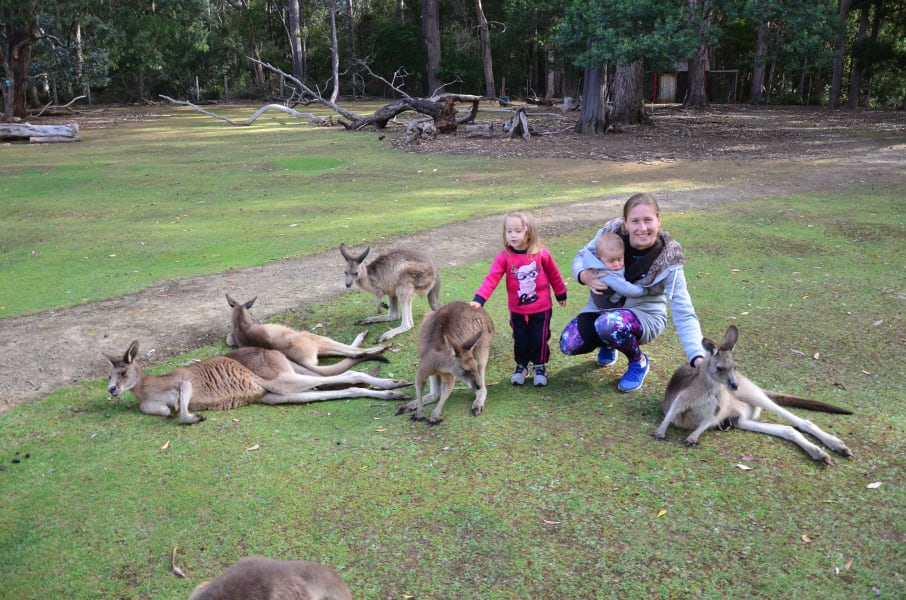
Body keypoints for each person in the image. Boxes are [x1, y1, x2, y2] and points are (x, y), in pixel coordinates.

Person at [559, 193, 704, 392]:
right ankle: (609, 343)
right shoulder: (609, 236)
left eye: (648, 220)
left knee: (610, 324)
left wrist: (697, 355)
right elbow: (582, 256)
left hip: (644, 315)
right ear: (625, 222)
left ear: (659, 220)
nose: (642, 228)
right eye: (635, 221)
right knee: (570, 343)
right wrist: (583, 275)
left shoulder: (670, 260)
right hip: (601, 309)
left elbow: (684, 311)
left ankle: (638, 361)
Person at [470, 210, 568, 387]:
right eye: (509, 231)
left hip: (541, 308)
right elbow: (491, 279)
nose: (512, 235)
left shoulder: (541, 253)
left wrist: (560, 293)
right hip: (517, 309)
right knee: (520, 338)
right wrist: (479, 299)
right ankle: (521, 366)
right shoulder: (504, 257)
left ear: (528, 232)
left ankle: (539, 366)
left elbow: (554, 274)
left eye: (517, 231)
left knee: (539, 337)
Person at [581, 232, 647, 310]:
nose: (616, 264)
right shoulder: (606, 274)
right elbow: (626, 289)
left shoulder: (607, 264)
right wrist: (644, 291)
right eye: (611, 261)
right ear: (599, 258)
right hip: (608, 305)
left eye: (619, 259)